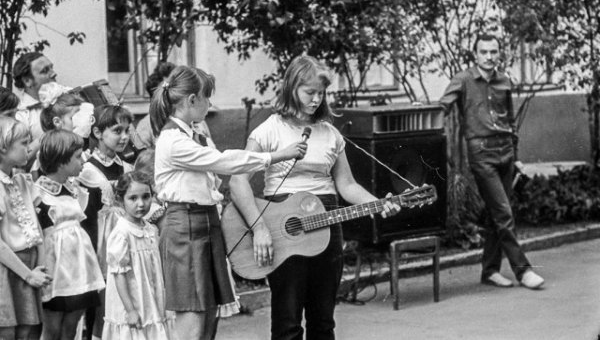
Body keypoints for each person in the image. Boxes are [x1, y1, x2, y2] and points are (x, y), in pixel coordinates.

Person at [228, 55, 400, 340]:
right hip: (280, 225)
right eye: (310, 92)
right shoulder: (268, 130)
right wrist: (258, 228)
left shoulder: (330, 134)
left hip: (327, 223)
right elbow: (237, 182)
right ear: (292, 88)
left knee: (323, 321)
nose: (317, 100)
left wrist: (379, 203)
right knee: (287, 323)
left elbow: (346, 184)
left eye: (321, 93)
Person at [150, 65, 307, 340]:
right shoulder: (173, 141)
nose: (210, 104)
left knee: (209, 315)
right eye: (207, 97)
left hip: (204, 225)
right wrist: (276, 156)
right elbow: (225, 162)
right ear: (192, 100)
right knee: (192, 319)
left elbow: (213, 178)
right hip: (185, 228)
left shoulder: (194, 135)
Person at [439, 33, 544, 290]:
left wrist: (516, 158)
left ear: (499, 54)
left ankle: (490, 271)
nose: (489, 57)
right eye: (483, 52)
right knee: (504, 213)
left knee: (496, 215)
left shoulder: (504, 80)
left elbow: (509, 121)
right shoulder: (462, 80)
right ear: (475, 54)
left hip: (505, 153)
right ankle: (523, 271)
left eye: (493, 52)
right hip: (481, 154)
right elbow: (442, 107)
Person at [35, 130, 105, 340]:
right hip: (56, 269)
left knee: (72, 324)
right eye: (77, 156)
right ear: (61, 160)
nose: (83, 160)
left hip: (80, 267)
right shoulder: (39, 193)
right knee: (53, 326)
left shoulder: (76, 189)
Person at [78, 104, 134, 339]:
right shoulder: (86, 169)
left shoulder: (127, 167)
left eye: (127, 131)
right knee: (101, 306)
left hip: (126, 240)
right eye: (117, 131)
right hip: (100, 242)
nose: (124, 137)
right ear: (98, 133)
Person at [102, 171, 176, 340]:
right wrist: (130, 310)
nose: (141, 204)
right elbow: (119, 274)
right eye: (133, 198)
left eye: (146, 197)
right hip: (133, 300)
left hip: (151, 298)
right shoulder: (121, 233)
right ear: (121, 200)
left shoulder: (151, 229)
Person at [0, 116, 52, 340]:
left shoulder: (23, 182)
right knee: (8, 331)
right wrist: (28, 275)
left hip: (30, 266)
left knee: (30, 329)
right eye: (23, 143)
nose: (29, 148)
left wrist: (39, 267)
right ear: (2, 148)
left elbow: (36, 228)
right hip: (8, 267)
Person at [12, 53, 58, 167]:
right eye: (44, 71)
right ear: (27, 81)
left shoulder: (63, 99)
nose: (54, 73)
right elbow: (17, 162)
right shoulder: (20, 116)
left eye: (51, 67)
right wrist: (49, 135)